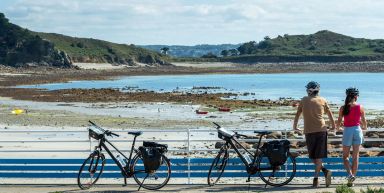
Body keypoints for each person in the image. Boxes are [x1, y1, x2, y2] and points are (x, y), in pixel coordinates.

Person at [293, 81, 336, 188]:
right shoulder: (322, 100)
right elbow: (330, 115)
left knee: (314, 156)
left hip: (312, 131)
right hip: (320, 130)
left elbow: (298, 114)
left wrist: (295, 126)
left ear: (309, 90)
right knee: (315, 156)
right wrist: (333, 126)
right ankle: (325, 171)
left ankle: (316, 179)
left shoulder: (304, 100)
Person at [336, 87, 367, 187]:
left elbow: (339, 121)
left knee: (345, 156)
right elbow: (364, 121)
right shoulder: (360, 107)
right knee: (355, 157)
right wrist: (364, 127)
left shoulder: (343, 108)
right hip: (357, 130)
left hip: (348, 131)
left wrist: (338, 128)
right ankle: (352, 178)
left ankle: (350, 175)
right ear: (355, 96)